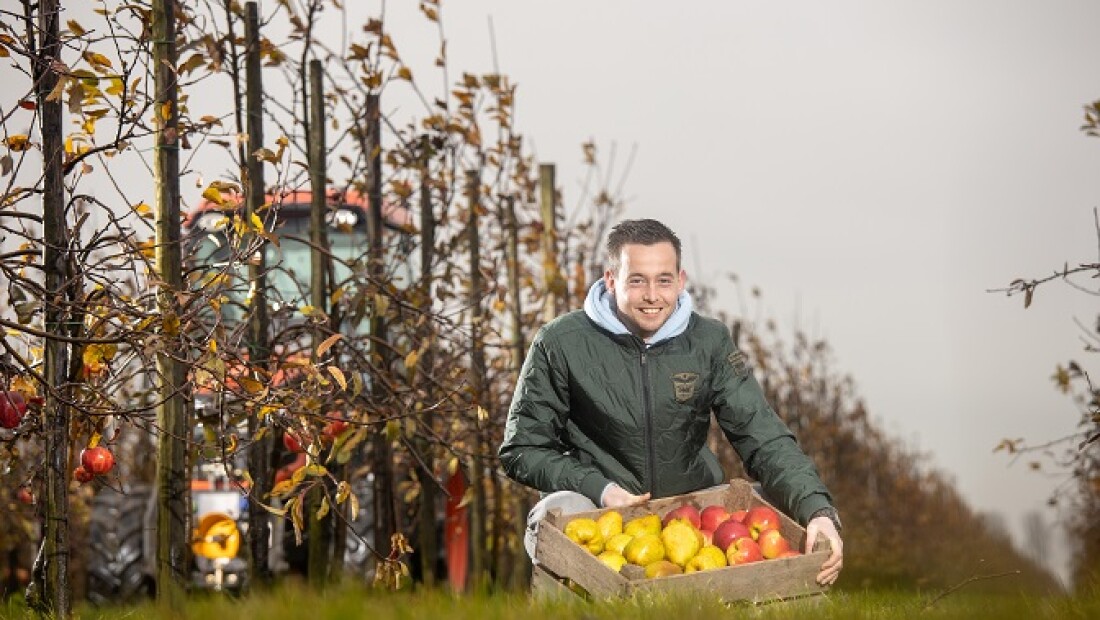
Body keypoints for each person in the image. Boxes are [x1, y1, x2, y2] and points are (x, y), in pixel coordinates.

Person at [498, 218, 843, 586]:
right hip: (603, 515)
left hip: (692, 513)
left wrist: (819, 512)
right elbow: (522, 449)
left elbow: (763, 435)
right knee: (554, 514)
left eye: (663, 281)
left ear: (681, 281)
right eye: (637, 281)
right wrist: (600, 488)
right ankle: (575, 599)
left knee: (780, 503)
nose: (652, 296)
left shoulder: (708, 341)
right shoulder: (561, 342)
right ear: (611, 280)